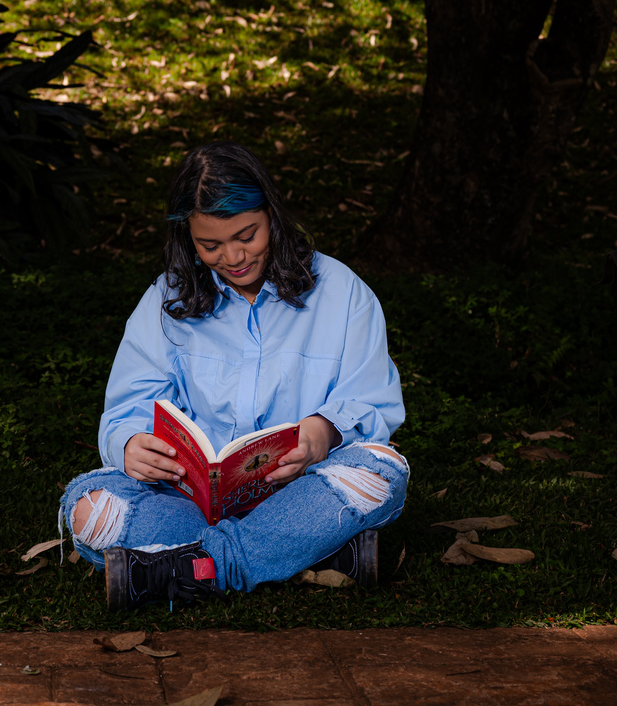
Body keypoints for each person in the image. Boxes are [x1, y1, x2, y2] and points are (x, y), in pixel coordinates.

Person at [57, 141, 409, 611]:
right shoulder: (167, 300)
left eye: (247, 235)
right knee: (89, 507)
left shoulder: (343, 292)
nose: (234, 256)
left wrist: (323, 433)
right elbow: (127, 408)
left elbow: (373, 403)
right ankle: (310, 553)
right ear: (188, 238)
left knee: (382, 472)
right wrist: (129, 444)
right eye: (211, 245)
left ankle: (192, 569)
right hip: (188, 502)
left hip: (303, 490)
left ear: (272, 216)